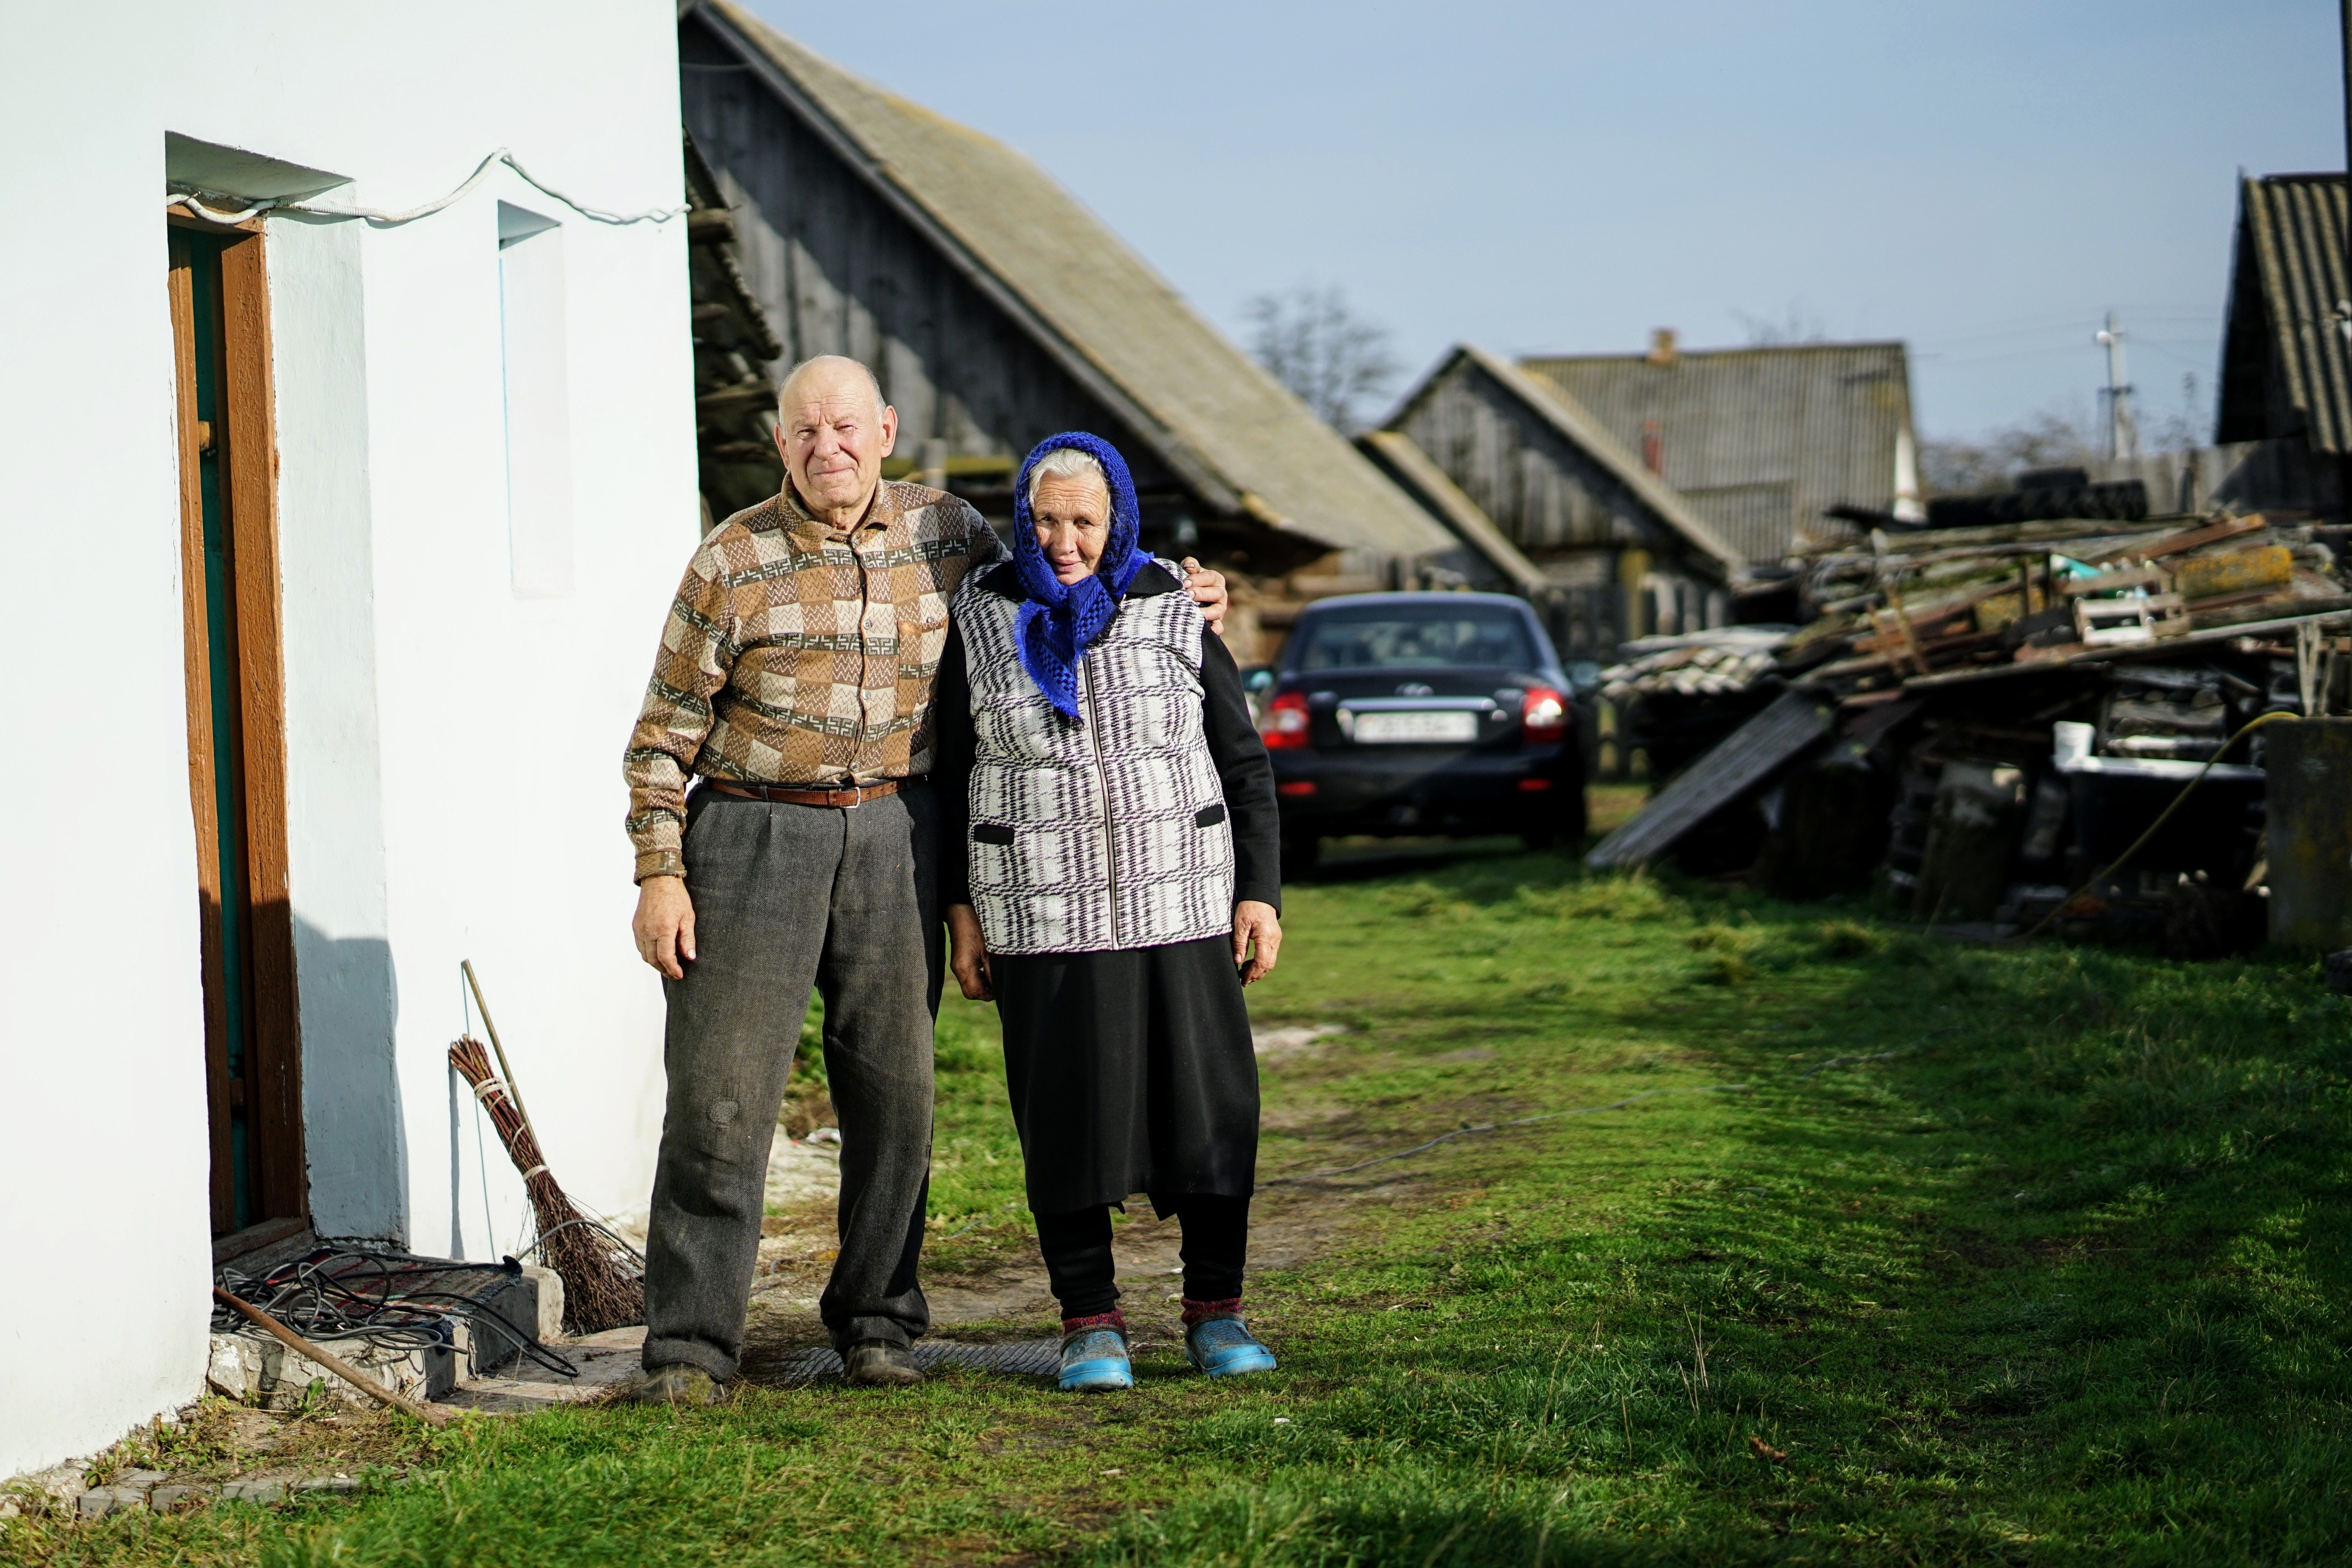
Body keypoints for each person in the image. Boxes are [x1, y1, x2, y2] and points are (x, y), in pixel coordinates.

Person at [621, 359, 1226, 1401]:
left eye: (848, 427)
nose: (830, 449)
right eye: (807, 432)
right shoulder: (731, 557)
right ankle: (691, 1345)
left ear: (887, 430)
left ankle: (879, 1323)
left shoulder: (950, 534)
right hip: (752, 837)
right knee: (721, 1103)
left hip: (900, 830)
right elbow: (662, 735)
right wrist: (659, 875)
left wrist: (1185, 586)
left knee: (894, 1097)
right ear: (781, 443)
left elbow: (1065, 571)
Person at [935, 432, 1283, 1394]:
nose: (1063, 540)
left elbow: (1242, 759)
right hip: (1040, 913)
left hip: (1179, 900)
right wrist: (960, 913)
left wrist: (1259, 890)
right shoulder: (980, 612)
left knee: (1209, 1111)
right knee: (1065, 1120)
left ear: (1117, 517)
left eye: (1083, 520)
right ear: (1022, 517)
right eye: (1046, 519)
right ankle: (1090, 1321)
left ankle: (1217, 1310)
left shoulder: (1174, 603)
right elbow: (956, 774)